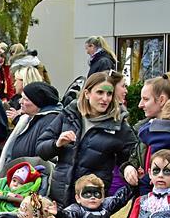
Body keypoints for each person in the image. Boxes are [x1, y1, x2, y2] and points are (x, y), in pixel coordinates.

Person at [39, 72, 137, 207]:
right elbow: (41, 149)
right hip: (59, 198)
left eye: (109, 94)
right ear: (87, 93)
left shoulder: (118, 125)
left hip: (91, 201)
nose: (105, 98)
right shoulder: (69, 114)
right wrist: (57, 144)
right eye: (100, 92)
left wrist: (128, 167)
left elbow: (133, 155)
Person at [0, 81, 60, 174]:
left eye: (25, 99)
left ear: (38, 102)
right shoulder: (27, 119)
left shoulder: (49, 121)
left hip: (30, 180)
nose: (20, 101)